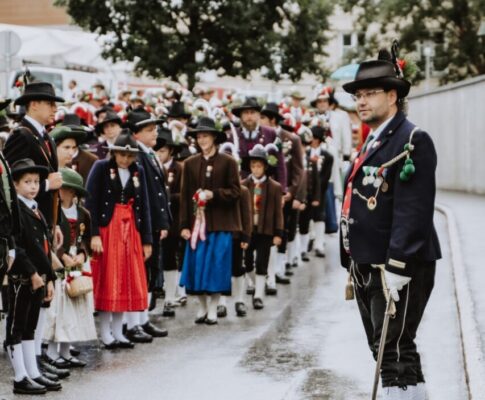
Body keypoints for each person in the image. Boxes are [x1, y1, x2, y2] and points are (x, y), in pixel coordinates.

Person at [340, 49, 441, 399]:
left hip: (396, 265)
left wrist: (398, 266)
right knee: (382, 350)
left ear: (392, 95)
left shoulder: (412, 140)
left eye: (370, 94)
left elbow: (413, 211)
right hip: (368, 262)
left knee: (394, 351)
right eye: (358, 96)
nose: (361, 102)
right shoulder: (375, 138)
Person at [4, 82, 66, 375]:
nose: (55, 108)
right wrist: (43, 187)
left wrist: (55, 223)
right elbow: (14, 186)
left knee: (42, 297)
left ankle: (36, 359)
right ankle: (29, 364)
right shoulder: (21, 137)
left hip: (41, 221)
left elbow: (53, 191)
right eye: (49, 102)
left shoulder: (46, 138)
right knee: (28, 298)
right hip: (24, 227)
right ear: (32, 105)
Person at [85, 132, 152, 349]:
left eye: (129, 156)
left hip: (130, 228)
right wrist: (94, 233)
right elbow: (90, 202)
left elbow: (145, 206)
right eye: (122, 154)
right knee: (108, 279)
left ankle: (118, 331)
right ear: (114, 153)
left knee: (124, 278)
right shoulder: (101, 168)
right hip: (108, 228)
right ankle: (105, 332)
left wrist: (147, 239)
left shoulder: (138, 172)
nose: (125, 159)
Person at [179, 117, 241, 325]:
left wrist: (213, 194)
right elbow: (185, 196)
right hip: (196, 226)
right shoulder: (189, 164)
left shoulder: (229, 162)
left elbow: (235, 192)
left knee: (217, 268)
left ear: (214, 137)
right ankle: (203, 306)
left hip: (220, 224)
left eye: (205, 135)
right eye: (198, 136)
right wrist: (184, 226)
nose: (201, 139)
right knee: (196, 268)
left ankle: (214, 308)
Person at [7, 158, 61, 394]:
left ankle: (33, 372)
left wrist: (49, 278)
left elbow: (45, 248)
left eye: (37, 182)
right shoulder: (15, 210)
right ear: (15, 185)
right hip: (23, 277)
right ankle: (20, 376)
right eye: (27, 182)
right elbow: (16, 245)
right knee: (16, 328)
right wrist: (31, 272)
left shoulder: (35, 208)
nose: (33, 186)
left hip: (40, 277)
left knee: (30, 327)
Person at [42, 168, 97, 369]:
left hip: (76, 263)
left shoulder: (83, 214)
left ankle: (66, 351)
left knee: (73, 308)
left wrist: (82, 254)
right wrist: (62, 255)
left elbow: (87, 238)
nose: (61, 192)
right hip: (59, 262)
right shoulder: (53, 212)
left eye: (65, 189)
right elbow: (49, 237)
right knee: (59, 307)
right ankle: (51, 351)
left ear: (73, 192)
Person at [125, 107, 170, 342]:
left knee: (150, 271)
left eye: (155, 128)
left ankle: (142, 319)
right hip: (143, 222)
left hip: (154, 221)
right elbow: (143, 196)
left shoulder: (149, 154)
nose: (155, 133)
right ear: (136, 134)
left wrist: (163, 222)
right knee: (141, 271)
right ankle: (133, 322)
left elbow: (160, 193)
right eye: (150, 129)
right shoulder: (136, 156)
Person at [260, 102, 305, 285]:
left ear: (272, 119)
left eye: (263, 118)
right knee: (262, 232)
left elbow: (297, 170)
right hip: (263, 192)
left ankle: (278, 268)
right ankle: (261, 273)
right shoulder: (260, 137)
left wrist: (291, 192)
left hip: (283, 194)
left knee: (282, 230)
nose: (260, 122)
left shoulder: (291, 139)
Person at [242, 145, 283, 310]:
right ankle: (257, 282)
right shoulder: (244, 185)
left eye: (259, 166)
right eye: (253, 166)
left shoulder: (274, 187)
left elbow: (278, 212)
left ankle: (258, 295)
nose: (256, 169)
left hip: (266, 230)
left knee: (262, 263)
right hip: (248, 230)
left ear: (265, 167)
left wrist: (278, 232)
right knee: (247, 263)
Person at [156, 126, 184, 317]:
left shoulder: (180, 168)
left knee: (170, 257)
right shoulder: (152, 165)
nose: (159, 154)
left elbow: (184, 194)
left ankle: (170, 297)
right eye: (157, 150)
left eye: (163, 150)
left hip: (173, 219)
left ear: (171, 151)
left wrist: (167, 196)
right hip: (157, 219)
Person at [298, 126, 333, 259]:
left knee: (319, 217)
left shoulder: (327, 156)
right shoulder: (304, 154)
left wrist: (318, 190)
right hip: (305, 191)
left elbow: (326, 175)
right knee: (304, 219)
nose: (310, 141)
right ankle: (305, 246)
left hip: (321, 191)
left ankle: (319, 245)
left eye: (313, 138)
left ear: (318, 140)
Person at [60, 114, 98, 182]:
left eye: (76, 133)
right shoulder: (54, 158)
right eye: (68, 133)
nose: (72, 136)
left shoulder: (92, 159)